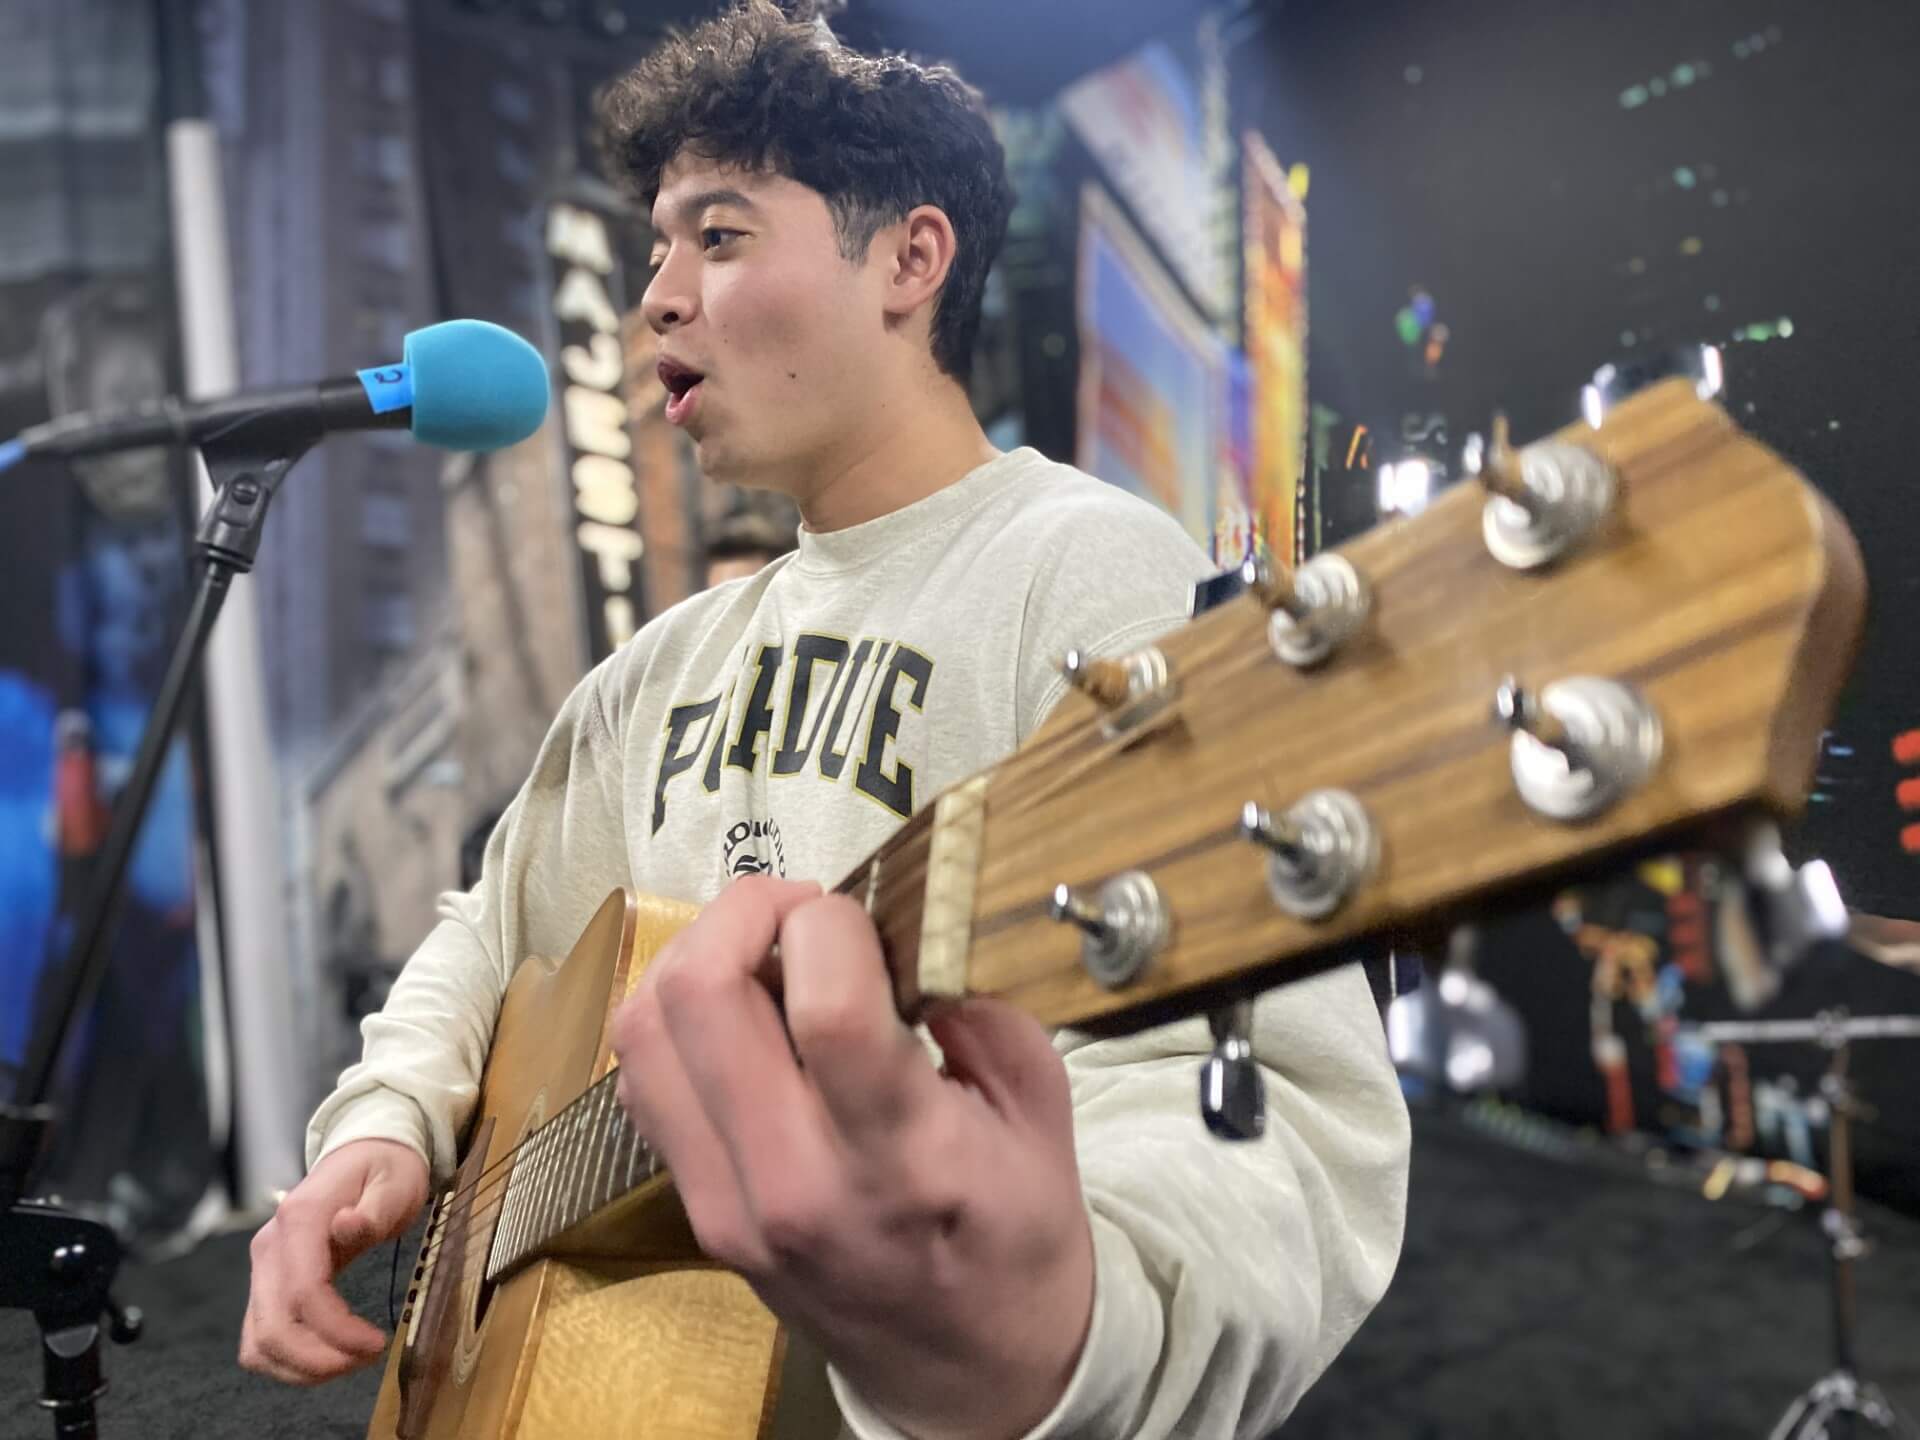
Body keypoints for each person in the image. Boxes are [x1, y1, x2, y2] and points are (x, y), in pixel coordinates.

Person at [238, 4, 1410, 1435]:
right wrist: (385, 1120)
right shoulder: (652, 673)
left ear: (911, 261)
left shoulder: (1090, 573)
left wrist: (1059, 1334)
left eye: (720, 238)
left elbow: (1283, 1111)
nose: (657, 299)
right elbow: (492, 930)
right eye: (655, 251)